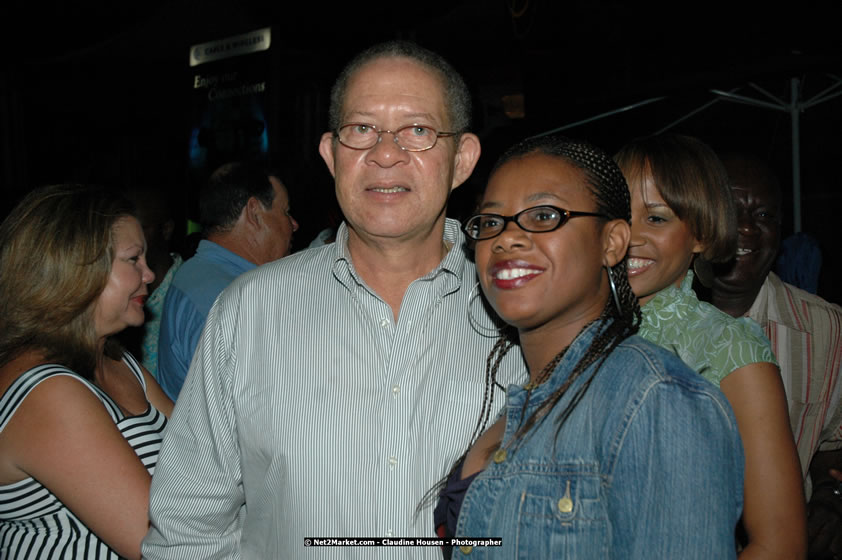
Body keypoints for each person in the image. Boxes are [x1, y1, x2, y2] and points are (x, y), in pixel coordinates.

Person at [142, 41, 525, 559]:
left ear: (462, 160)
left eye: (417, 130)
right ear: (331, 154)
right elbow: (187, 526)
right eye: (362, 129)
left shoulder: (523, 311)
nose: (386, 154)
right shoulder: (250, 311)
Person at [439, 134, 743, 558]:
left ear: (612, 242)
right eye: (491, 222)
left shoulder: (657, 400)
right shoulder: (519, 397)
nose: (506, 238)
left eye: (544, 215)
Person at [615, 134, 806, 559]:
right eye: (619, 214)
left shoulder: (729, 347)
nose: (630, 235)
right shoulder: (572, 335)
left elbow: (780, 545)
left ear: (700, 235)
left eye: (657, 218)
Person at [0, 184, 173, 559]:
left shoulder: (118, 362)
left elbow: (202, 457)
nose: (149, 275)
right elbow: (157, 541)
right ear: (77, 267)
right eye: (133, 259)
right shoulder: (45, 392)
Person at [709, 154, 842, 560]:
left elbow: (833, 439)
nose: (747, 227)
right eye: (732, 211)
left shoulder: (827, 330)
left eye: (764, 214)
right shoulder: (646, 326)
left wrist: (830, 496)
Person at [156, 160, 299, 400]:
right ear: (254, 212)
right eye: (285, 211)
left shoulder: (200, 273)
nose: (294, 224)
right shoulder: (225, 295)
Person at [117, 182, 184, 380]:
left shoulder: (187, 292)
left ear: (166, 229)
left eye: (141, 227)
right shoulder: (112, 298)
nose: (132, 237)